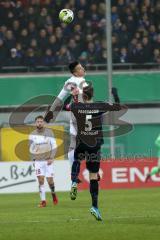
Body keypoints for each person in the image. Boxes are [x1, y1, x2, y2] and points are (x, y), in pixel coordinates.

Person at [70, 84, 123, 221]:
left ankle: (74, 181)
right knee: (94, 175)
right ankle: (94, 206)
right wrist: (115, 94)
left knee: (76, 160)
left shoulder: (77, 106)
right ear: (92, 95)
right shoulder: (99, 106)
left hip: (81, 141)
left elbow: (65, 106)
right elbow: (117, 107)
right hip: (95, 144)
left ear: (83, 95)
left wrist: (73, 95)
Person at [44, 61, 88, 169]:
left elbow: (59, 98)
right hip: (82, 115)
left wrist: (50, 112)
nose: (83, 69)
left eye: (82, 67)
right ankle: (91, 169)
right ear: (76, 73)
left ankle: (73, 170)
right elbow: (86, 100)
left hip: (75, 114)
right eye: (80, 68)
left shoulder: (69, 82)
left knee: (73, 143)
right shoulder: (81, 82)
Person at [29, 115, 58, 207]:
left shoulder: (49, 132)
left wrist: (52, 157)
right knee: (41, 180)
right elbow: (31, 148)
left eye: (41, 121)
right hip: (38, 161)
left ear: (44, 123)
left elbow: (54, 146)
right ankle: (43, 201)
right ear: (35, 123)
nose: (39, 123)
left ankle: (53, 193)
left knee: (50, 181)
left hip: (48, 160)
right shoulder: (32, 134)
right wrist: (33, 160)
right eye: (38, 121)